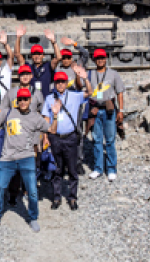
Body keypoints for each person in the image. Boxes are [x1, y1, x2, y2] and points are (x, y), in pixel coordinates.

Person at [0, 88, 55, 232]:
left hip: (26, 158)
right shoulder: (7, 113)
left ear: (30, 100)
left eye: (25, 99)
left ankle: (33, 217)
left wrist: (56, 116)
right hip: (7, 158)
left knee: (32, 191)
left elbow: (51, 130)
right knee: (0, 189)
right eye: (20, 99)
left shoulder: (35, 116)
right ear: (16, 101)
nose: (22, 102)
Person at [0, 64, 47, 205]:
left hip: (32, 135)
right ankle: (13, 193)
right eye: (22, 74)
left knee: (31, 166)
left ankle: (27, 191)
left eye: (27, 74)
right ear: (18, 77)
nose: (25, 76)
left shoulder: (37, 94)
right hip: (15, 135)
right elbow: (3, 111)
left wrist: (43, 136)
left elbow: (42, 114)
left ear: (31, 76)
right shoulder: (11, 93)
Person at [41, 71, 85, 211]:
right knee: (57, 169)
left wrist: (84, 79)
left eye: (63, 81)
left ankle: (72, 197)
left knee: (72, 169)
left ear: (66, 83)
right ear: (55, 83)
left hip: (70, 136)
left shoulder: (74, 96)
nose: (60, 84)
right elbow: (46, 119)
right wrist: (45, 137)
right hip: (55, 137)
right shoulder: (49, 98)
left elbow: (89, 93)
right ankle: (57, 197)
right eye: (58, 82)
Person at [82, 49, 125, 181]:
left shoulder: (113, 74)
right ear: (94, 60)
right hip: (95, 110)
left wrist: (121, 111)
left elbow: (120, 93)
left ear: (106, 59)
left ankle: (111, 169)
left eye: (102, 58)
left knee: (110, 140)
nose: (100, 60)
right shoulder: (90, 74)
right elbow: (85, 90)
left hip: (109, 110)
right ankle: (98, 168)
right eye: (97, 58)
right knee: (97, 140)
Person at [14, 26, 61, 98]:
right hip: (32, 101)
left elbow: (58, 57)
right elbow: (17, 55)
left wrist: (53, 42)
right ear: (31, 56)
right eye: (34, 54)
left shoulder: (48, 66)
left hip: (45, 100)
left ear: (43, 55)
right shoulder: (28, 67)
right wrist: (18, 38)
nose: (37, 56)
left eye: (39, 54)